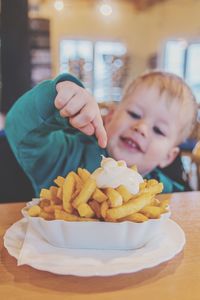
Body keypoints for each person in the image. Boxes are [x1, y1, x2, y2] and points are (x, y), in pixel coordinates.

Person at [5, 71, 197, 196]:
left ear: (168, 157)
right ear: (110, 117)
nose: (141, 127)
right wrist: (58, 102)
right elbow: (18, 128)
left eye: (158, 130)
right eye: (134, 114)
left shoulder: (166, 193)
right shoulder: (66, 156)